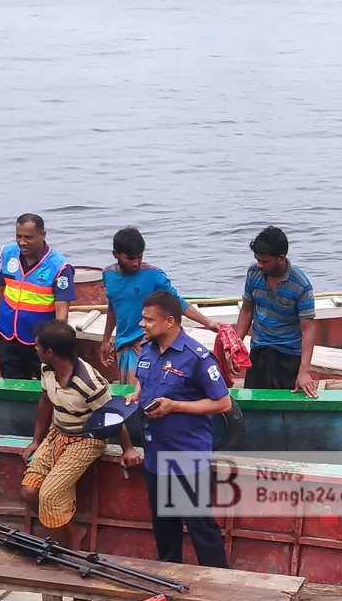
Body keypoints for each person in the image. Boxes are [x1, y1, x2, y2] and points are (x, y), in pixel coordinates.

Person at [125, 290, 232, 568]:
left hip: (186, 454)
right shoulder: (147, 348)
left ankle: (220, 586)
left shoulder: (196, 357)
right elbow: (144, 379)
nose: (142, 324)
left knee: (199, 525)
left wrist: (175, 407)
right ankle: (169, 580)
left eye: (148, 320)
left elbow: (223, 403)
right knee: (163, 525)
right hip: (154, 452)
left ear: (170, 321)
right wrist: (138, 393)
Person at [22, 320, 114, 550]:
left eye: (38, 346)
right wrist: (36, 441)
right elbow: (45, 402)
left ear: (49, 352)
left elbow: (111, 417)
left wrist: (129, 448)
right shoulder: (47, 369)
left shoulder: (89, 382)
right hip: (58, 432)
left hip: (87, 439)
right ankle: (71, 532)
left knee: (50, 495)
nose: (35, 349)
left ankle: (64, 550)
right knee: (30, 491)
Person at [99, 226, 222, 385]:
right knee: (129, 392)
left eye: (139, 257)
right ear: (115, 254)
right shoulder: (108, 275)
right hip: (124, 343)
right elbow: (113, 306)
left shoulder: (154, 275)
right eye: (130, 259)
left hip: (148, 343)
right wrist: (106, 340)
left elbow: (177, 302)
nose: (136, 263)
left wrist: (208, 323)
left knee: (142, 389)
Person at [0, 213, 76, 380]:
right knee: (12, 383)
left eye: (28, 237)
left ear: (42, 235)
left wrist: (55, 346)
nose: (22, 242)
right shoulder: (8, 253)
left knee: (48, 386)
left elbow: (62, 312)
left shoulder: (59, 266)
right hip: (8, 335)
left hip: (40, 343)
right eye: (18, 236)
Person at [236, 225, 317, 397]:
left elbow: (307, 330)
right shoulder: (253, 274)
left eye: (264, 261)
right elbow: (246, 310)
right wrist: (236, 345)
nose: (259, 265)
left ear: (281, 258)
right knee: (254, 399)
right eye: (257, 259)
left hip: (288, 355)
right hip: (259, 351)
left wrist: (303, 372)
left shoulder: (301, 285)